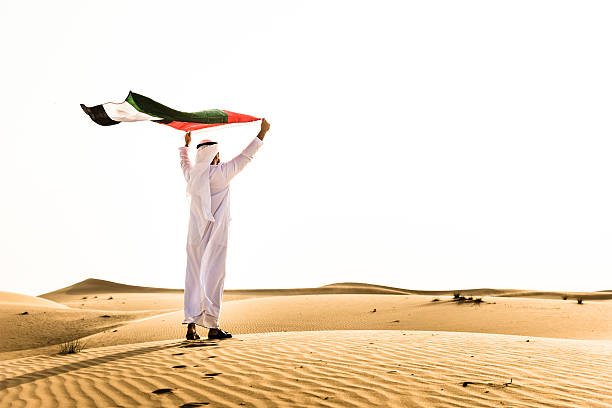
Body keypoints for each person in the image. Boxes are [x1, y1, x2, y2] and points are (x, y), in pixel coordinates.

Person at [179, 119, 270, 340]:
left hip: (194, 239)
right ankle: (212, 326)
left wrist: (185, 145)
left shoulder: (193, 175)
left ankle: (191, 325)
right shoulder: (222, 173)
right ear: (215, 156)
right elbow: (246, 156)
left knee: (193, 278)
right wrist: (262, 132)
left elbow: (184, 162)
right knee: (214, 277)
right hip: (216, 238)